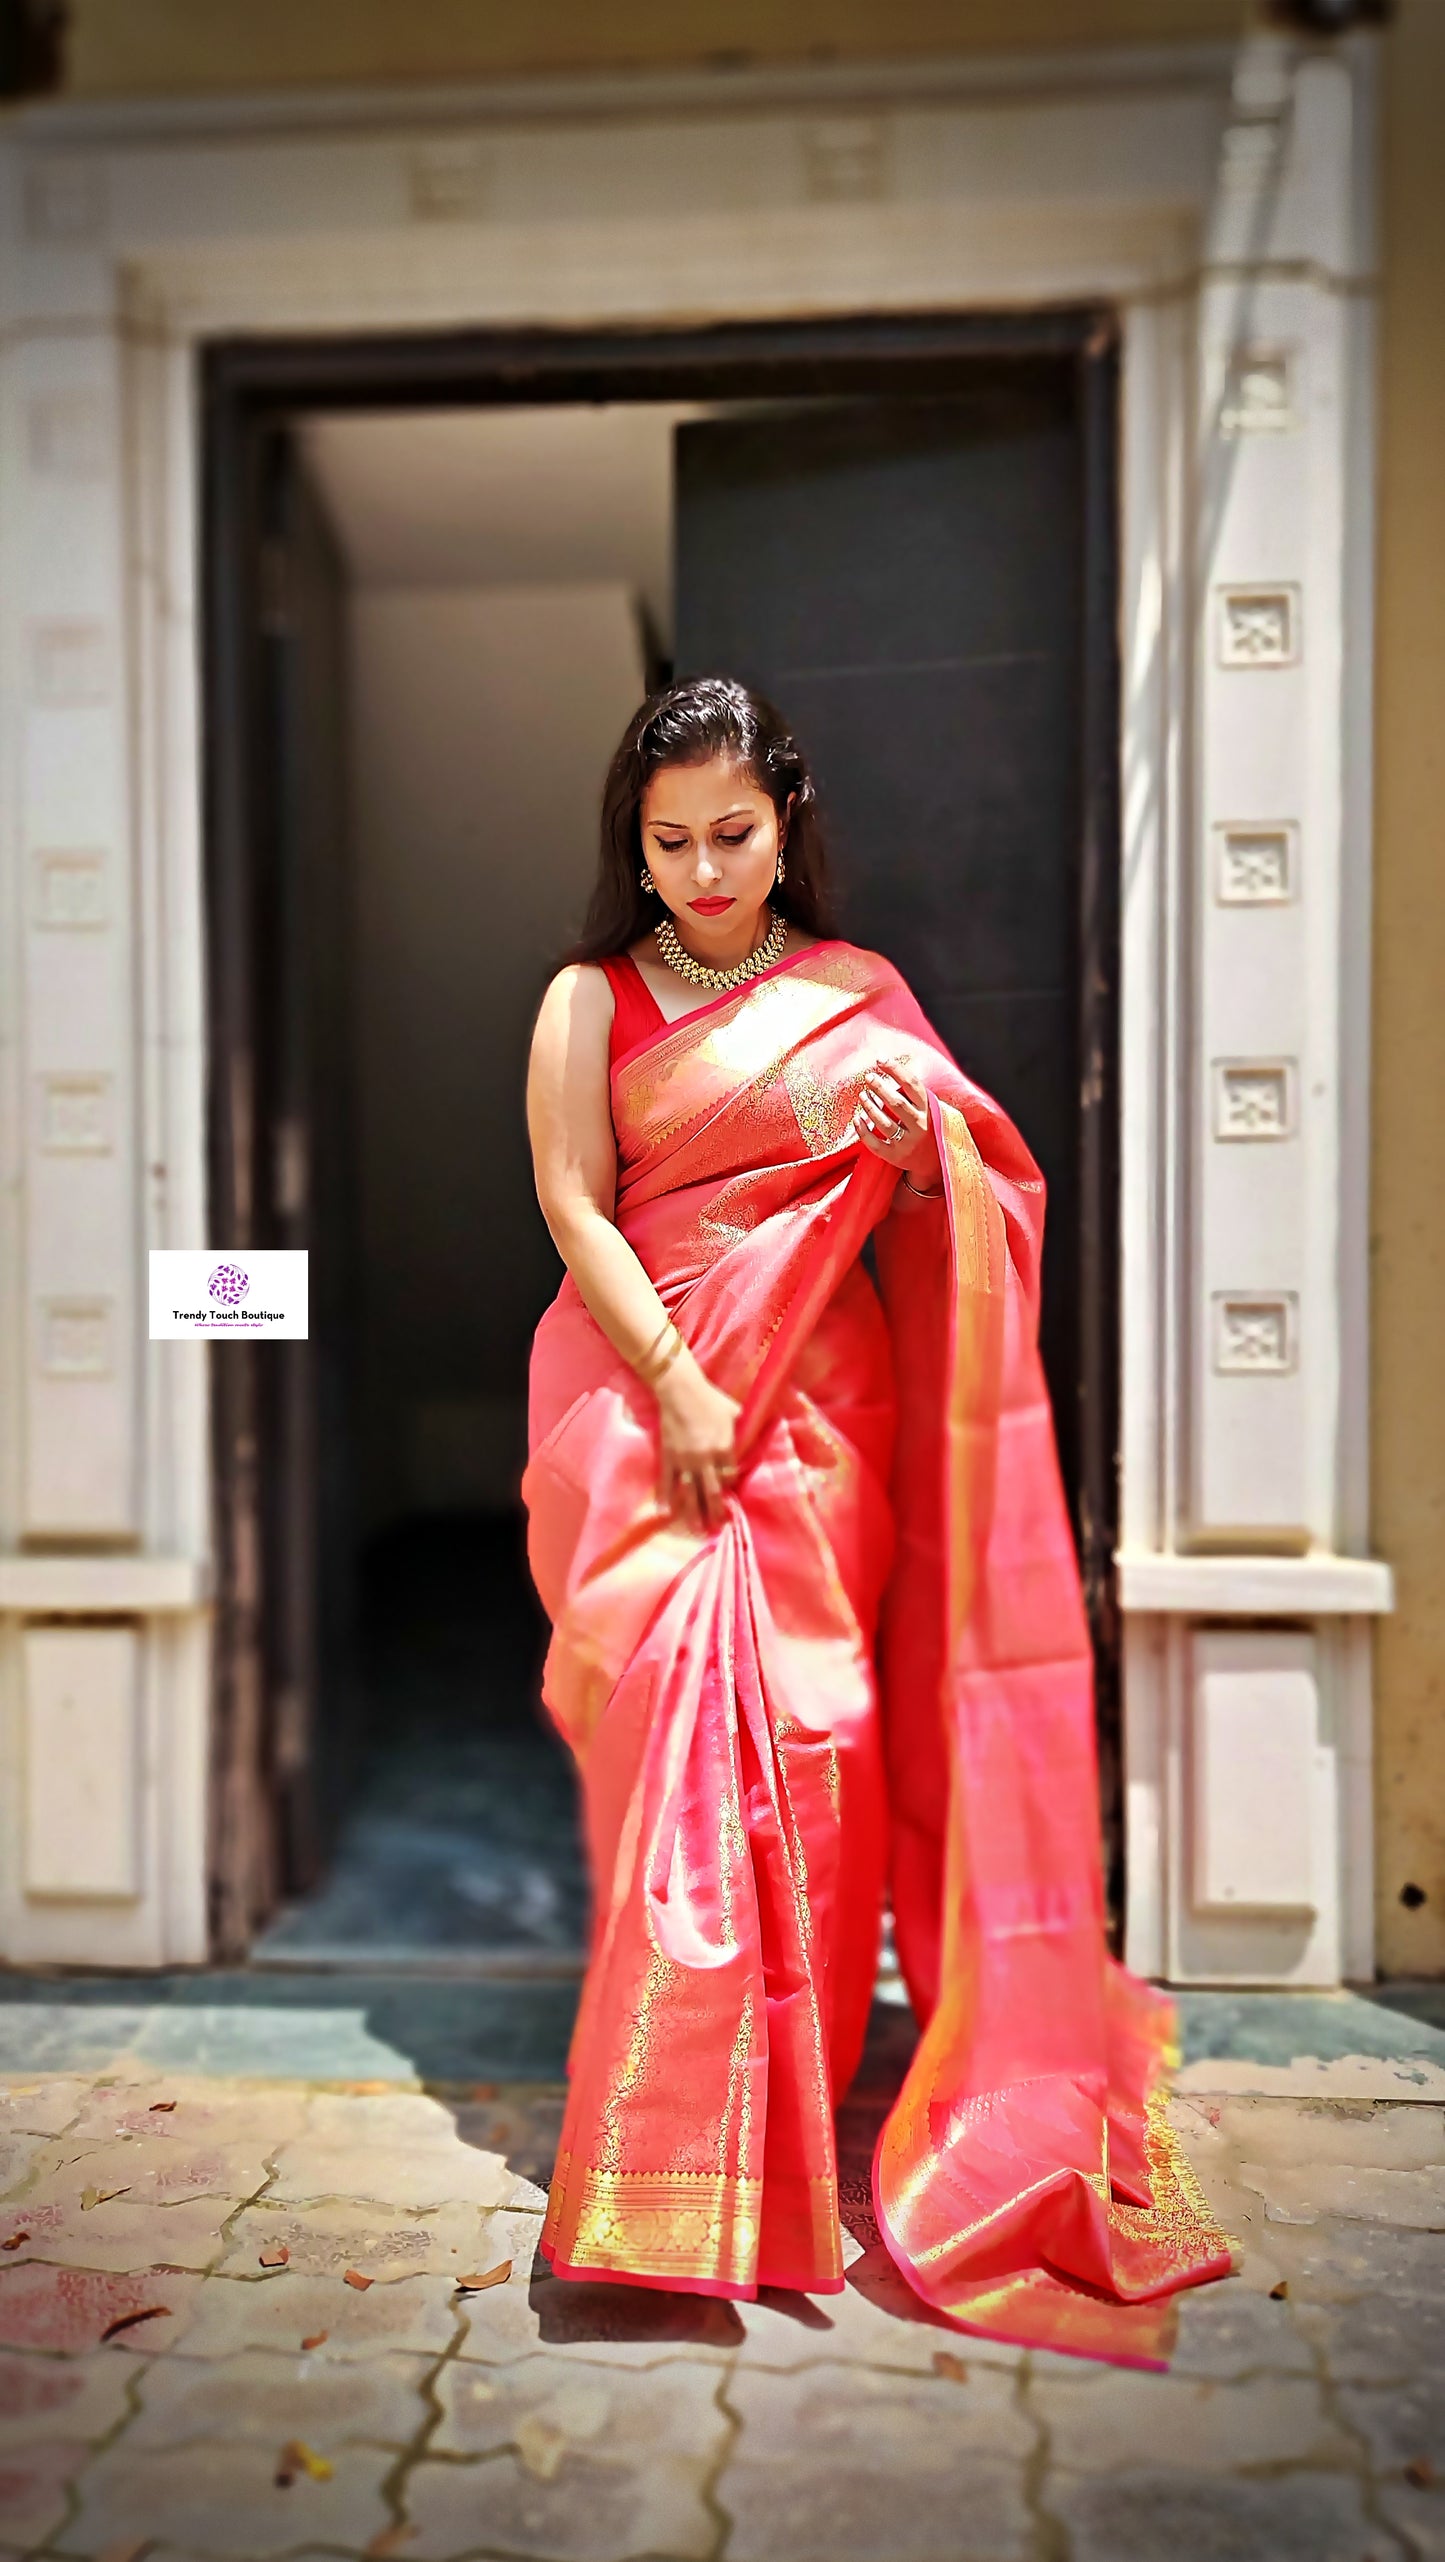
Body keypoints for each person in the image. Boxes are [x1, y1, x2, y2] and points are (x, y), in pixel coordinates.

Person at [522, 675, 1230, 2360]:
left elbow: (960, 1190)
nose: (702, 869)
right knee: (670, 1753)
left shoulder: (860, 994)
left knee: (816, 1745)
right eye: (668, 840)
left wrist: (923, 1153)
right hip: (644, 1401)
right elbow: (569, 1199)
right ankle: (673, 2159)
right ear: (634, 841)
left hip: (828, 1416)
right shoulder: (584, 999)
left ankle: (791, 2130)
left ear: (786, 822)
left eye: (732, 834)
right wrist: (681, 1382)